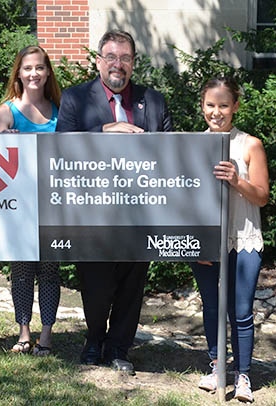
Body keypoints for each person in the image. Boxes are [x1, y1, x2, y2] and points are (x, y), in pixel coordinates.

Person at [55, 29, 173, 374]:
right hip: (92, 212)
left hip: (140, 211)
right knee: (95, 283)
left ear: (133, 63)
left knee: (132, 284)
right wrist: (107, 131)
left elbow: (169, 152)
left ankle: (119, 347)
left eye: (124, 58)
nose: (117, 64)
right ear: (98, 60)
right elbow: (62, 146)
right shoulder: (76, 98)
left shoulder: (153, 101)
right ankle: (93, 341)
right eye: (111, 57)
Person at [191, 77, 269, 402]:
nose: (217, 111)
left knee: (241, 310)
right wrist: (194, 241)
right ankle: (216, 365)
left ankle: (243, 375)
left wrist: (238, 180)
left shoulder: (251, 145)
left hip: (243, 236)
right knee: (211, 305)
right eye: (211, 105)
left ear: (235, 106)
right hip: (207, 239)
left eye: (224, 105)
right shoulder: (192, 144)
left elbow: (263, 197)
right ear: (202, 106)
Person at [0, 45, 62, 356]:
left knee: (49, 270)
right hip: (19, 208)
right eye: (27, 68)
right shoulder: (5, 111)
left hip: (54, 205)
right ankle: (23, 333)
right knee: (20, 270)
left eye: (40, 68)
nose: (34, 73)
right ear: (18, 72)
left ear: (48, 73)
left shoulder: (61, 109)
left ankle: (46, 335)